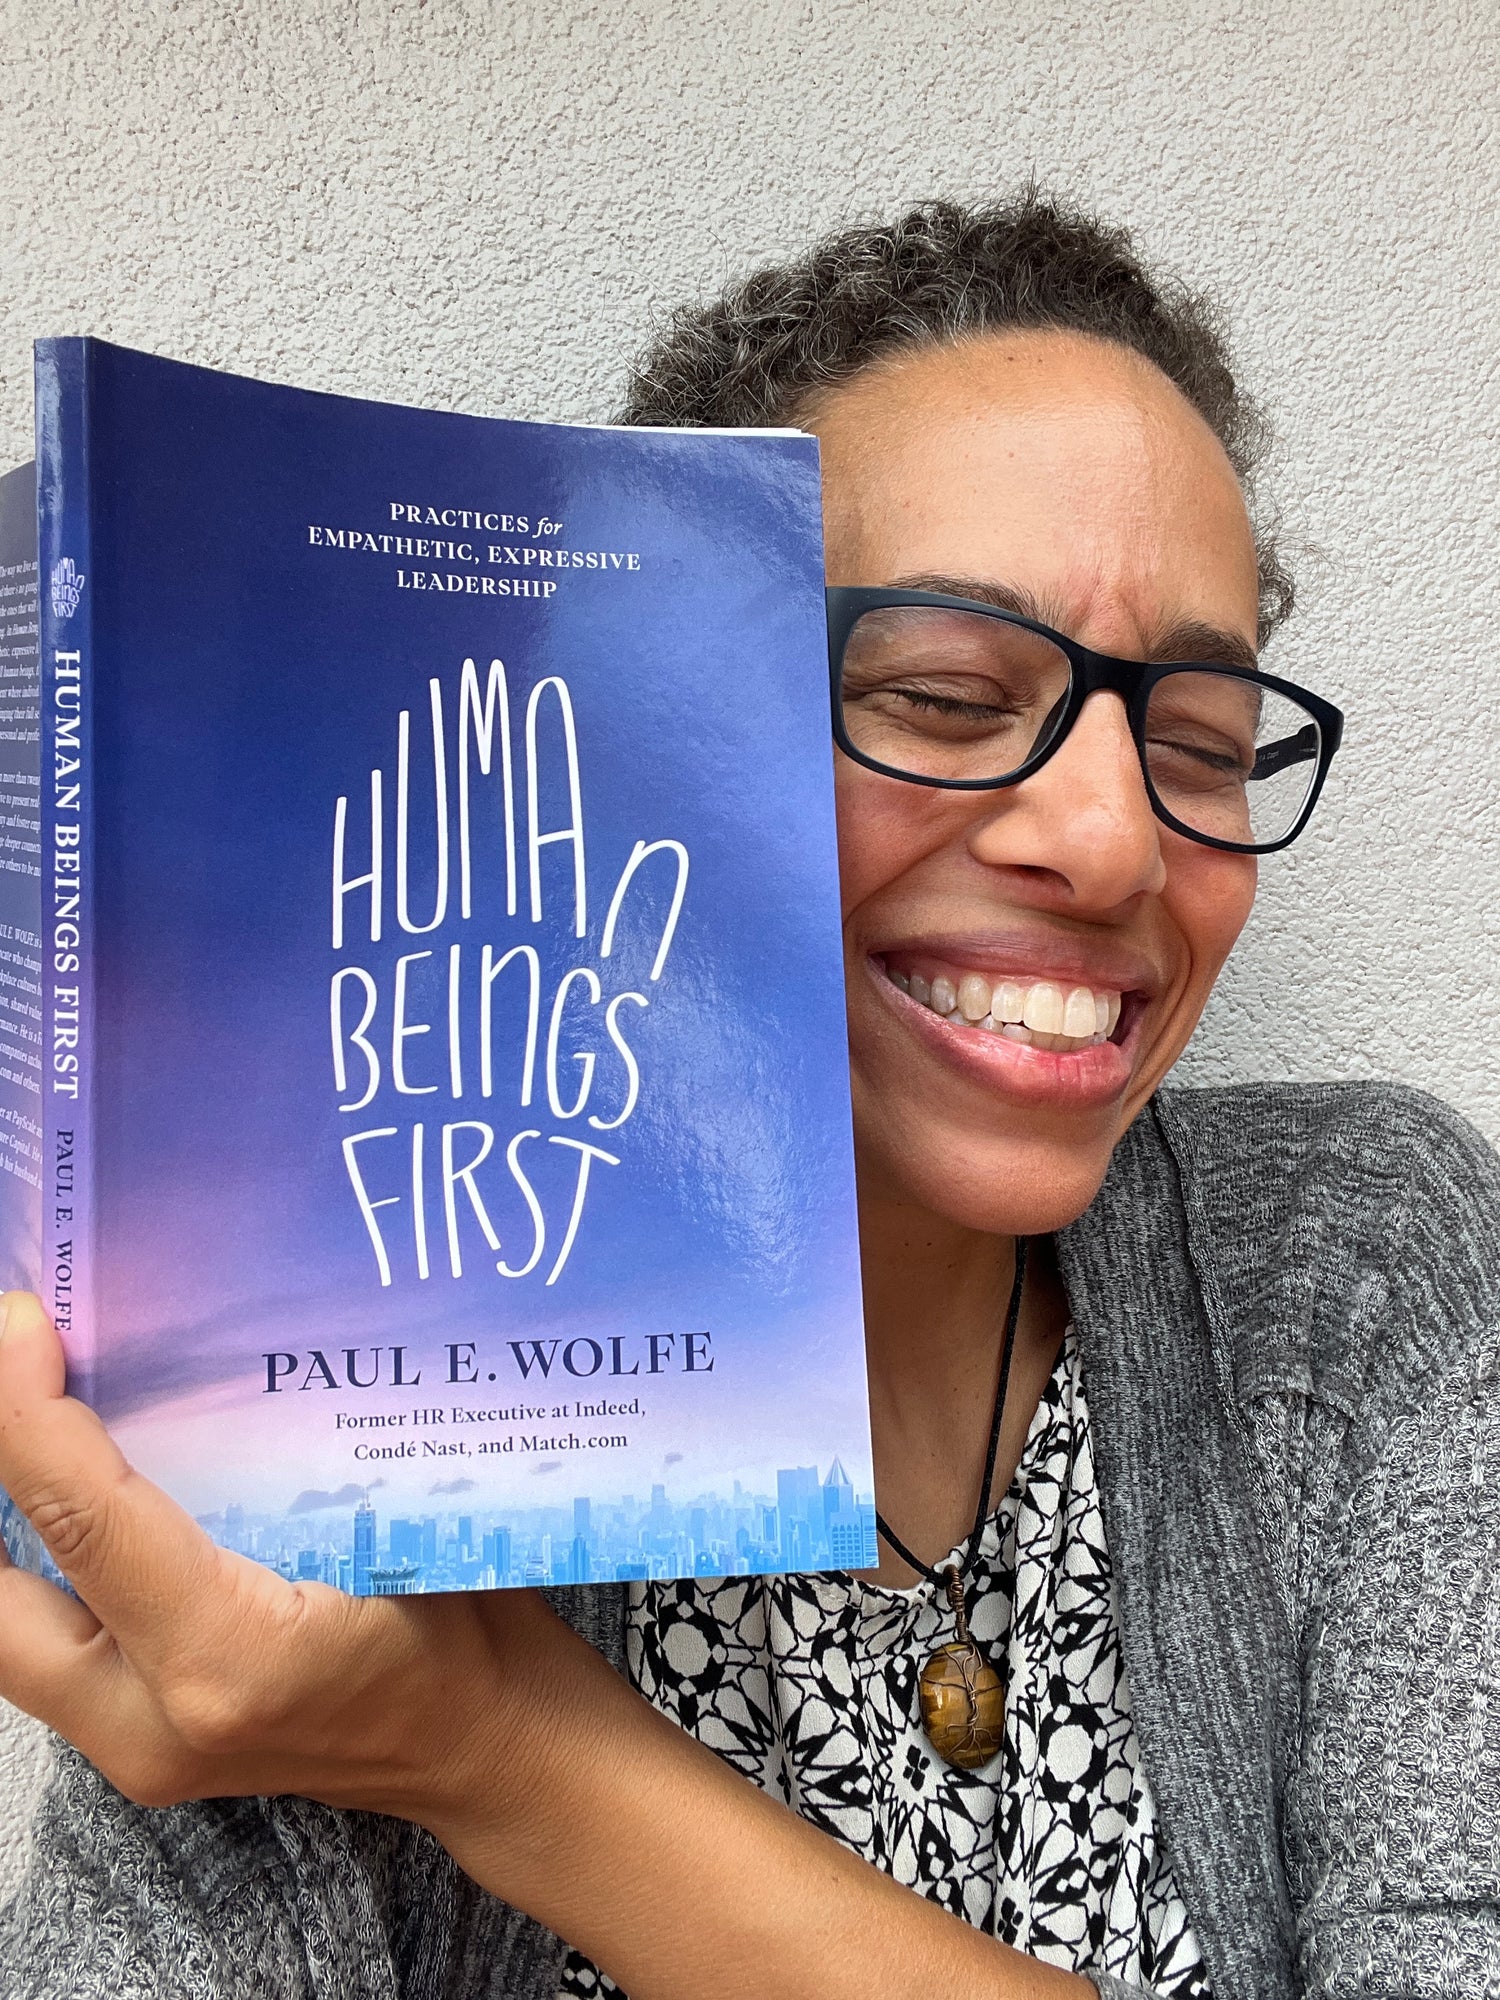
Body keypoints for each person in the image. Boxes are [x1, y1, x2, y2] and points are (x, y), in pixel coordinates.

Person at [1, 195, 1497, 2000]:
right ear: (667, 757)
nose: (1116, 843)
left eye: (1195, 735)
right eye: (946, 694)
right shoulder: (360, 1380)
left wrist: (495, 1754)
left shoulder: (1356, 1268)